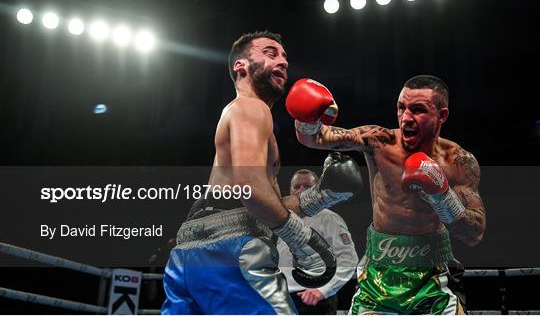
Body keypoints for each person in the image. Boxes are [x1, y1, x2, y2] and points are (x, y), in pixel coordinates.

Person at [161, 31, 362, 315]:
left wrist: (320, 197)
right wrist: (302, 240)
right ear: (240, 66)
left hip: (188, 254)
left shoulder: (241, 113)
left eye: (284, 57)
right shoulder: (251, 107)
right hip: (232, 252)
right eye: (270, 53)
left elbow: (254, 200)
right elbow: (251, 190)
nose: (282, 62)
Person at [286, 75, 487, 314]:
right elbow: (316, 138)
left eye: (418, 109)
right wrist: (306, 117)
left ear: (441, 115)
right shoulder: (380, 141)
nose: (406, 117)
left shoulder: (458, 161)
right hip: (377, 278)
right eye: (401, 108)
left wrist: (442, 195)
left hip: (432, 280)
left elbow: (474, 233)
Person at [278, 169, 359, 314]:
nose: (301, 191)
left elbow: (349, 259)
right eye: (297, 187)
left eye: (307, 186)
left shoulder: (329, 218)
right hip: (284, 297)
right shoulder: (281, 221)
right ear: (290, 191)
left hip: (317, 299)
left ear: (317, 190)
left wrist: (323, 290)